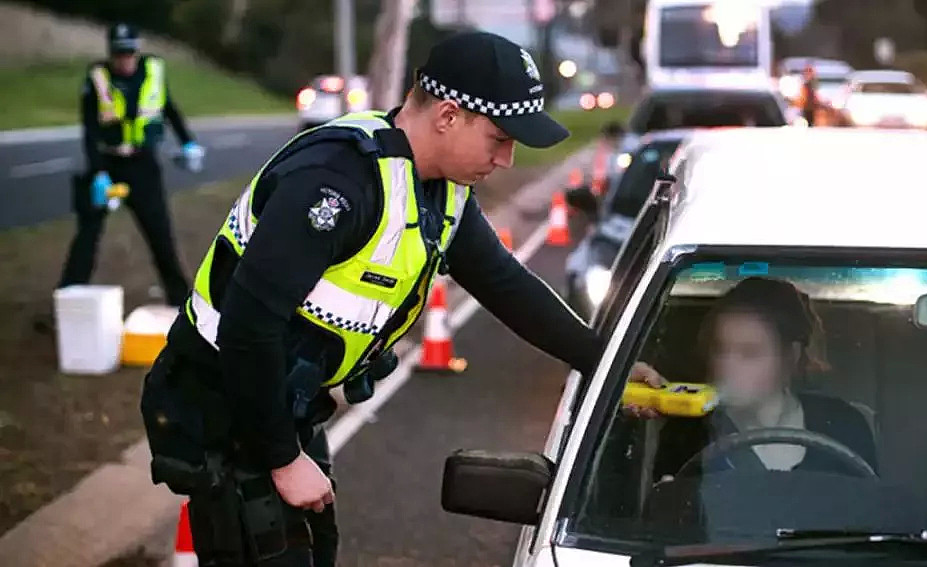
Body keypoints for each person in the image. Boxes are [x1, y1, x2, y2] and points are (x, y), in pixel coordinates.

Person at [139, 30, 603, 566]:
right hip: (224, 402)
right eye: (500, 138)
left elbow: (506, 285)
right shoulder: (336, 182)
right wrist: (283, 459)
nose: (506, 159)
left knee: (315, 547)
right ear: (448, 116)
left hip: (279, 403)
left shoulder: (440, 188)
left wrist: (604, 361)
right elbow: (250, 325)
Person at [626, 276, 878, 478]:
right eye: (719, 349)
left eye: (750, 353)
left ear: (790, 355)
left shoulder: (844, 424)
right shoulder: (688, 434)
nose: (727, 366)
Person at [58, 22, 203, 308]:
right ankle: (67, 299)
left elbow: (170, 109)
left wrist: (188, 142)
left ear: (136, 51)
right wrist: (98, 173)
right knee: (87, 235)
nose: (124, 60)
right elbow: (89, 130)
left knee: (160, 234)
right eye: (118, 54)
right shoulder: (97, 79)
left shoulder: (153, 72)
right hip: (106, 163)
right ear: (110, 53)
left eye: (128, 54)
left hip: (143, 165)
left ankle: (180, 301)